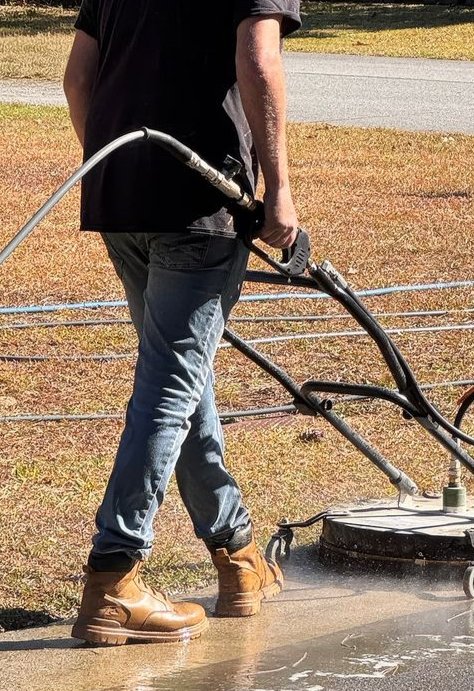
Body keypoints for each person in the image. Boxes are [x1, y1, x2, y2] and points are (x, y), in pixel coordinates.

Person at [62, 0, 302, 646]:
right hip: (200, 203)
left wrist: (120, 171)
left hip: (117, 196)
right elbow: (257, 58)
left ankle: (238, 556)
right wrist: (278, 189)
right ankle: (114, 575)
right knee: (169, 388)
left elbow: (77, 78)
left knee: (179, 376)